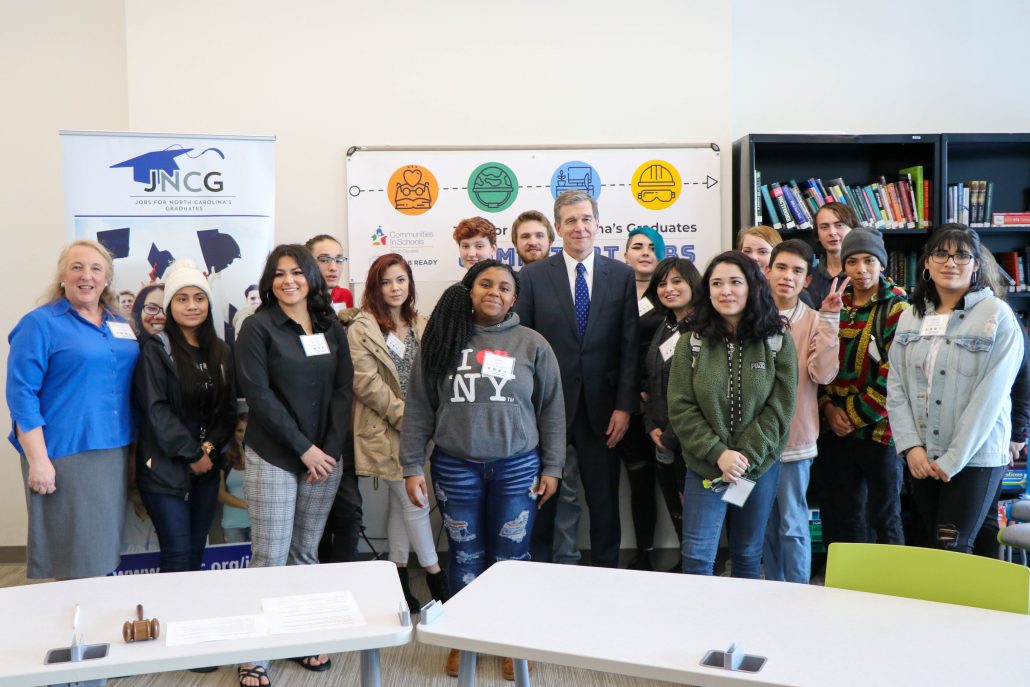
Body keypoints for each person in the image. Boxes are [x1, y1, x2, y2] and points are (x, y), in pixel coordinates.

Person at [400, 259, 564, 678]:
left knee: (512, 558)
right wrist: (411, 464)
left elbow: (552, 412)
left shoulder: (532, 344)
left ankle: (510, 641)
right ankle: (465, 637)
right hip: (455, 468)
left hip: (517, 467)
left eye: (505, 287)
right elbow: (419, 406)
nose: (495, 291)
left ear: (514, 297)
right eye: (485, 284)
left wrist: (553, 467)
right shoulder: (441, 339)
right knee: (466, 557)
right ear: (469, 291)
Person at [235, 244, 354, 685]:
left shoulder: (329, 325)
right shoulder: (257, 327)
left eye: (297, 272)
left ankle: (301, 636)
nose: (289, 280)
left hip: (325, 457)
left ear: (311, 277)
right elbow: (259, 396)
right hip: (276, 455)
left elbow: (345, 389)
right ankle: (256, 653)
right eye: (279, 273)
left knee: (305, 554)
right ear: (269, 281)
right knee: (270, 557)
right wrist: (304, 449)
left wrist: (328, 449)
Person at [514, 189, 638, 568]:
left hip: (604, 413)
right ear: (558, 227)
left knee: (604, 504)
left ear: (598, 224)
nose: (579, 227)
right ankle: (545, 575)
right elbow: (523, 348)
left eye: (586, 219)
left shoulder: (621, 275)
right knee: (545, 499)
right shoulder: (533, 277)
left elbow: (628, 346)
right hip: (548, 410)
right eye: (570, 221)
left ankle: (606, 575)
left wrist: (624, 407)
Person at [7, 239, 139, 579]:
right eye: (77, 267)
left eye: (96, 269)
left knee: (104, 550)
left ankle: (93, 617)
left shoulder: (117, 323)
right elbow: (21, 395)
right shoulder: (40, 324)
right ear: (62, 276)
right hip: (65, 453)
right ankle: (73, 625)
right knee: (75, 557)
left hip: (114, 450)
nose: (87, 276)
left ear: (107, 279)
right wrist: (37, 460)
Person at [887, 226, 1023, 554]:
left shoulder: (997, 316)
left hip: (975, 457)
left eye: (962, 255)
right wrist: (910, 448)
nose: (951, 262)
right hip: (922, 454)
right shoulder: (910, 317)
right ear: (927, 264)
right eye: (941, 254)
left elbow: (990, 397)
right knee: (934, 547)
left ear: (977, 264)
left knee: (953, 547)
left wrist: (953, 459)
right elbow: (896, 387)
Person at [668, 251, 797, 578]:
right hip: (706, 466)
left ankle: (742, 627)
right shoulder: (690, 342)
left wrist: (743, 457)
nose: (726, 291)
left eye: (735, 282)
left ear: (752, 287)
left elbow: (780, 407)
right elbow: (681, 407)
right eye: (717, 283)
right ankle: (700, 626)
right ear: (707, 291)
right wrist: (719, 454)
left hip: (758, 466)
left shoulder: (778, 341)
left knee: (747, 555)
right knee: (697, 558)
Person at [348, 253, 447, 610]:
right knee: (415, 501)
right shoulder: (362, 328)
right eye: (386, 281)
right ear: (375, 286)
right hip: (386, 428)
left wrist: (425, 420)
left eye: (401, 280)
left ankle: (397, 580)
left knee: (399, 504)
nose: (395, 288)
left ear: (410, 284)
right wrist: (410, 419)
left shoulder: (421, 323)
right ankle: (438, 580)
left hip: (420, 426)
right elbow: (367, 384)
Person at [134, 260, 236, 573]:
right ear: (169, 305)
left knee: (195, 553)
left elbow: (227, 409)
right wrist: (192, 453)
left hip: (206, 470)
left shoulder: (219, 350)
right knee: (177, 555)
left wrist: (208, 450)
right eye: (182, 298)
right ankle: (166, 622)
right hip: (164, 471)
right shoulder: (156, 349)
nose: (192, 306)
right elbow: (156, 409)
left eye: (199, 298)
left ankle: (190, 621)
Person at [818, 228, 909, 547]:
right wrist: (829, 410)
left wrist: (852, 416)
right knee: (845, 513)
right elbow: (820, 358)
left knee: (885, 515)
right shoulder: (834, 302)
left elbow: (896, 371)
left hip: (878, 429)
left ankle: (893, 589)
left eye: (869, 260)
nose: (861, 269)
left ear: (881, 263)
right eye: (852, 261)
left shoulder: (897, 305)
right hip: (834, 428)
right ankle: (848, 587)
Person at [760, 240, 842, 584]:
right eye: (781, 268)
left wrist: (830, 320)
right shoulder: (750, 317)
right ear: (767, 271)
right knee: (762, 524)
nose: (787, 277)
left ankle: (798, 595)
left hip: (795, 440)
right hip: (753, 444)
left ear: (807, 280)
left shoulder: (813, 320)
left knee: (792, 524)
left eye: (797, 271)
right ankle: (772, 593)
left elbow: (823, 374)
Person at [616, 226, 667, 570]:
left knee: (669, 479)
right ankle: (645, 552)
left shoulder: (668, 294)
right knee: (638, 480)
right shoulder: (613, 292)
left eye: (652, 247)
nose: (645, 252)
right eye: (638, 246)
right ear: (625, 255)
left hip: (661, 405)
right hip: (624, 403)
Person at [642, 257, 702, 547]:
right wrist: (652, 423)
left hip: (691, 442)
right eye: (663, 283)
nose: (669, 288)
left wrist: (671, 434)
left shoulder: (704, 329)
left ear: (693, 283)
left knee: (698, 520)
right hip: (662, 437)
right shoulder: (665, 325)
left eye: (677, 281)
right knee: (678, 512)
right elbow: (653, 381)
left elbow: (699, 392)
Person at [806, 202, 856, 305]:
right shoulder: (808, 277)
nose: (832, 232)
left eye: (839, 225)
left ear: (853, 230)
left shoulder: (865, 275)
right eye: (824, 227)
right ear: (818, 235)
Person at [219, 413, 251, 543]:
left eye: (247, 430)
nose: (243, 435)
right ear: (233, 432)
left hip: (260, 524)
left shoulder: (263, 458)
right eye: (239, 430)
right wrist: (246, 505)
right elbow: (220, 494)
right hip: (232, 525)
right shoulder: (224, 458)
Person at [305, 234, 354, 309]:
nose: (333, 268)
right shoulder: (298, 298)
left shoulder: (345, 295)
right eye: (324, 260)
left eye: (339, 260)